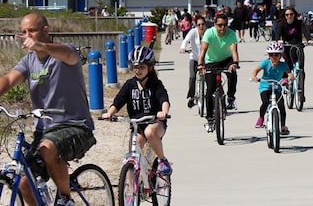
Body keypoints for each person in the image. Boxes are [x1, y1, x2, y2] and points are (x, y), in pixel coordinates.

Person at [0, 13, 96, 206]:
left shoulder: (65, 52)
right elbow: (9, 79)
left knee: (49, 147)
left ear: (46, 30)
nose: (27, 35)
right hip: (44, 130)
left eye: (32, 31)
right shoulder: (28, 61)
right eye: (24, 32)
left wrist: (41, 46)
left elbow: (68, 55)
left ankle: (65, 199)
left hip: (75, 125)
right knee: (24, 182)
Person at [101, 46, 172, 176]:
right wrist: (110, 113)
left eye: (142, 67)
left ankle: (163, 160)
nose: (138, 70)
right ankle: (130, 193)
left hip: (155, 123)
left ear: (150, 67)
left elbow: (164, 99)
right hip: (137, 125)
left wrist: (164, 112)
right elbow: (119, 100)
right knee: (132, 156)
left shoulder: (155, 84)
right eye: (135, 67)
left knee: (149, 132)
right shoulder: (130, 84)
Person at [198, 14, 240, 132]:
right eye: (220, 25)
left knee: (232, 73)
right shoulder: (209, 33)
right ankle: (210, 119)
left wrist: (235, 62)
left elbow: (234, 50)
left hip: (227, 59)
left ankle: (231, 97)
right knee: (210, 89)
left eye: (225, 25)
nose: (223, 28)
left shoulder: (231, 33)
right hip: (211, 61)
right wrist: (200, 65)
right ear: (215, 25)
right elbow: (203, 51)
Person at [250, 42, 294, 135]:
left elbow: (289, 73)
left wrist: (290, 78)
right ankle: (261, 118)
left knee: (281, 104)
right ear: (268, 55)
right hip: (265, 86)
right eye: (271, 54)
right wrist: (254, 77)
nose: (274, 57)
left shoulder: (283, 65)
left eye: (276, 55)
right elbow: (256, 70)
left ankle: (283, 126)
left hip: (276, 86)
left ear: (281, 55)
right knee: (265, 102)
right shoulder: (265, 63)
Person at [180, 15, 208, 108]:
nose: (201, 26)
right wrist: (183, 47)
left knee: (210, 78)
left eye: (203, 24)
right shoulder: (193, 32)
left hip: (206, 59)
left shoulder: (208, 32)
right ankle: (191, 97)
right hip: (194, 58)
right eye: (199, 24)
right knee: (192, 77)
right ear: (196, 25)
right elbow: (186, 40)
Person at [275, 6, 313, 71]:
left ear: (294, 14)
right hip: (287, 45)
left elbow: (305, 31)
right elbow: (277, 34)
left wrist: (309, 39)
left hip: (298, 45)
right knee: (288, 63)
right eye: (287, 15)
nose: (289, 16)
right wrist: (278, 40)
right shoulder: (282, 24)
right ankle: (286, 78)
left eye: (291, 14)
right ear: (284, 16)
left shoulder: (299, 23)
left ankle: (300, 77)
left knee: (301, 66)